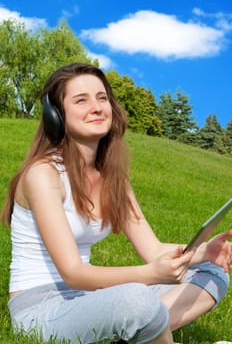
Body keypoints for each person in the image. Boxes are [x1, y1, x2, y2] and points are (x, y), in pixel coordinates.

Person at [1, 62, 232, 344]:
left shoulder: (114, 179)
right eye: (81, 100)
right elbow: (73, 274)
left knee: (211, 274)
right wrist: (148, 276)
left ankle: (138, 328)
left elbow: (154, 250)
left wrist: (206, 251)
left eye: (102, 98)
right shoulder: (43, 175)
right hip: (43, 308)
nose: (97, 107)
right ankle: (140, 324)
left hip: (89, 297)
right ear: (56, 115)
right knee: (134, 299)